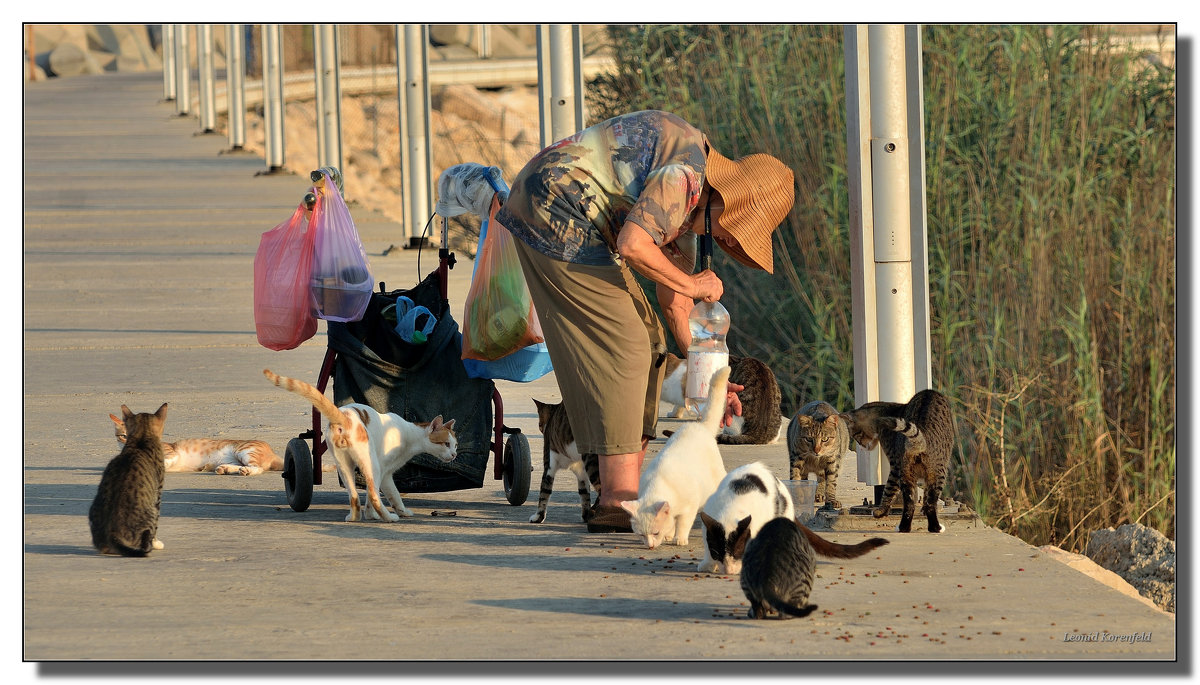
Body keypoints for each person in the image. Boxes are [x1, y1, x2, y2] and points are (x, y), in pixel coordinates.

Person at [494, 110, 795, 532]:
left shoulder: (692, 206)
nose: (730, 242)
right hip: (550, 208)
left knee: (652, 341)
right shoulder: (684, 179)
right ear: (728, 200)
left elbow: (673, 307)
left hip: (569, 217)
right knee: (627, 347)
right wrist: (693, 285)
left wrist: (709, 379)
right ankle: (617, 501)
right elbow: (634, 245)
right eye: (736, 231)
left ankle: (627, 481)